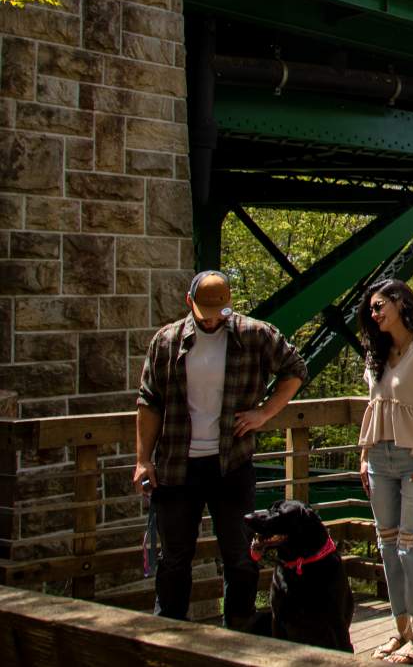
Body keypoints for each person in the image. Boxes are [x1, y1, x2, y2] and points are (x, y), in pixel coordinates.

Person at [133, 269, 307, 629]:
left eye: (219, 311)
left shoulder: (254, 334)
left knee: (241, 555)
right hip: (177, 465)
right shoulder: (165, 342)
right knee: (174, 558)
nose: (212, 319)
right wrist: (142, 460)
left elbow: (295, 369)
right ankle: (170, 629)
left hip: (232, 464)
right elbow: (149, 401)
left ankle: (239, 628)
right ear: (189, 303)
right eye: (204, 312)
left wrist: (265, 413)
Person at [357, 279, 413, 664]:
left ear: (400, 303)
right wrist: (363, 456)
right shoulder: (377, 353)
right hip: (379, 459)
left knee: (411, 549)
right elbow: (373, 406)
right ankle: (402, 630)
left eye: (379, 306)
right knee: (388, 548)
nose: (374, 314)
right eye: (371, 310)